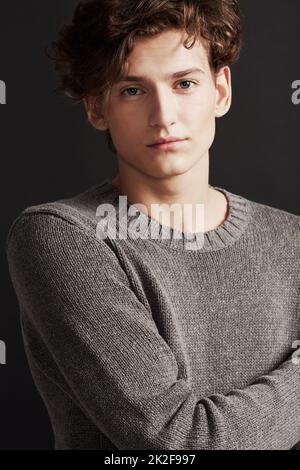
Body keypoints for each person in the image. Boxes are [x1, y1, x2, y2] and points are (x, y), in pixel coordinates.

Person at [6, 0, 300, 450]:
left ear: (221, 91)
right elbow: (179, 444)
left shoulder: (291, 241)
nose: (164, 117)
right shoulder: (64, 237)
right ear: (96, 107)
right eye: (132, 90)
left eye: (184, 83)